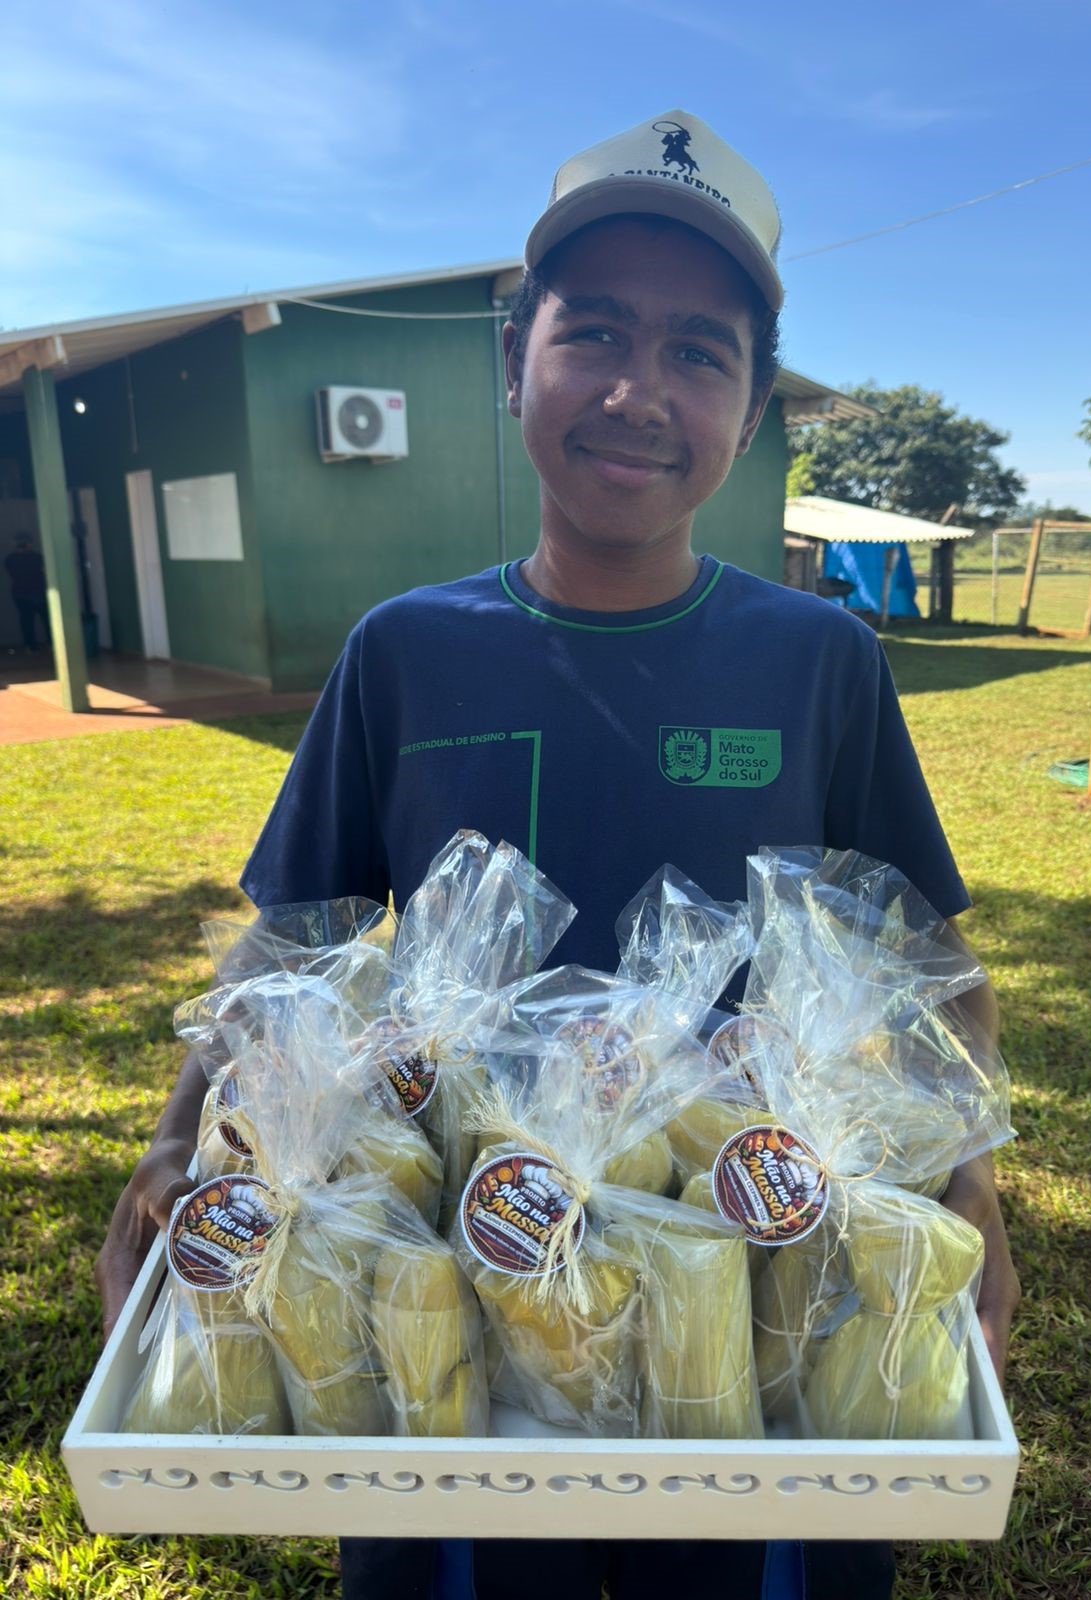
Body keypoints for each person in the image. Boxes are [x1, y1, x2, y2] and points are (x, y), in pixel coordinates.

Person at [96, 110, 1019, 1600]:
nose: (638, 392)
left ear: (751, 408)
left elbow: (925, 962)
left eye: (699, 352)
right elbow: (288, 941)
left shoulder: (820, 660)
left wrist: (973, 1182)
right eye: (593, 333)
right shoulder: (405, 650)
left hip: (755, 1275)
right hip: (454, 1289)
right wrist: (174, 1139)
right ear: (512, 364)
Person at [5, 536, 50, 651]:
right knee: (43, 620)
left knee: (28, 620)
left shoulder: (11, 559)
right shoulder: (36, 557)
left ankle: (31, 646)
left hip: (23, 593)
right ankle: (47, 644)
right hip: (34, 592)